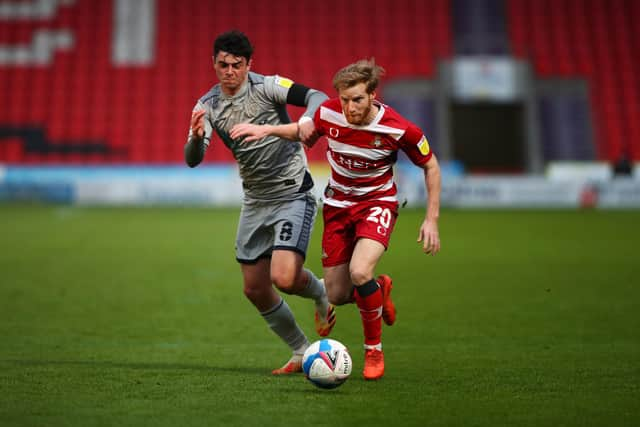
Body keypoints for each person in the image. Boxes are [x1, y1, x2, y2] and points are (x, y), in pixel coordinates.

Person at [230, 58, 442, 380]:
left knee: (359, 271)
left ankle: (374, 352)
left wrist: (431, 219)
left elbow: (430, 165)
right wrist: (267, 129)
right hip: (337, 206)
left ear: (373, 95)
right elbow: (303, 131)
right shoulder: (328, 112)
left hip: (376, 203)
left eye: (357, 99)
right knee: (339, 294)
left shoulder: (398, 128)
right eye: (344, 99)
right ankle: (378, 289)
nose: (349, 107)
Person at [185, 30, 336, 375]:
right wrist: (195, 138)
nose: (229, 71)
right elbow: (193, 159)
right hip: (255, 200)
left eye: (237, 65)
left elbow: (317, 95)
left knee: (283, 278)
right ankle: (301, 351)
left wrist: (307, 120)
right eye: (223, 64)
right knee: (254, 288)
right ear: (214, 63)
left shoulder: (268, 86)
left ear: (249, 64)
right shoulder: (207, 106)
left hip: (291, 192)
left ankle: (322, 292)